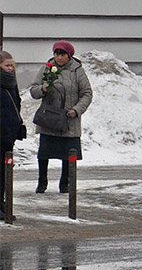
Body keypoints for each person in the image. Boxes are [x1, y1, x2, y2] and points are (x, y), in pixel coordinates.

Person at [29, 41, 92, 194]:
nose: (59, 57)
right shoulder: (47, 68)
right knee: (44, 152)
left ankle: (65, 183)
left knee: (68, 153)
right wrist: (43, 88)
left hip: (69, 120)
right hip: (49, 118)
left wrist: (76, 110)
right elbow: (33, 90)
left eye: (63, 54)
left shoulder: (77, 71)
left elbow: (87, 93)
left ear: (69, 56)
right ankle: (42, 181)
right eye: (57, 54)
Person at [1, 50, 26, 213]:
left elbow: (16, 103)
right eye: (6, 65)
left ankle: (1, 201)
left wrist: (18, 124)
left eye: (12, 65)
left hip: (9, 133)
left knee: (4, 171)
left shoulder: (12, 82)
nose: (10, 68)